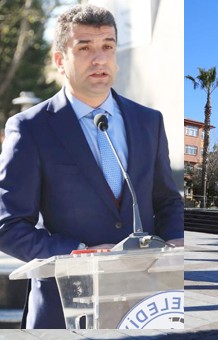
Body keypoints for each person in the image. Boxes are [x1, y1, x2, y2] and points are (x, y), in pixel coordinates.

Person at [0, 4, 184, 329]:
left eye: (107, 47)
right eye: (84, 48)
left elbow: (167, 201)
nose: (99, 59)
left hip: (145, 306)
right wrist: (79, 253)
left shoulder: (148, 122)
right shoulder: (30, 128)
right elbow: (9, 226)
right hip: (64, 310)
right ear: (60, 60)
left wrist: (175, 241)